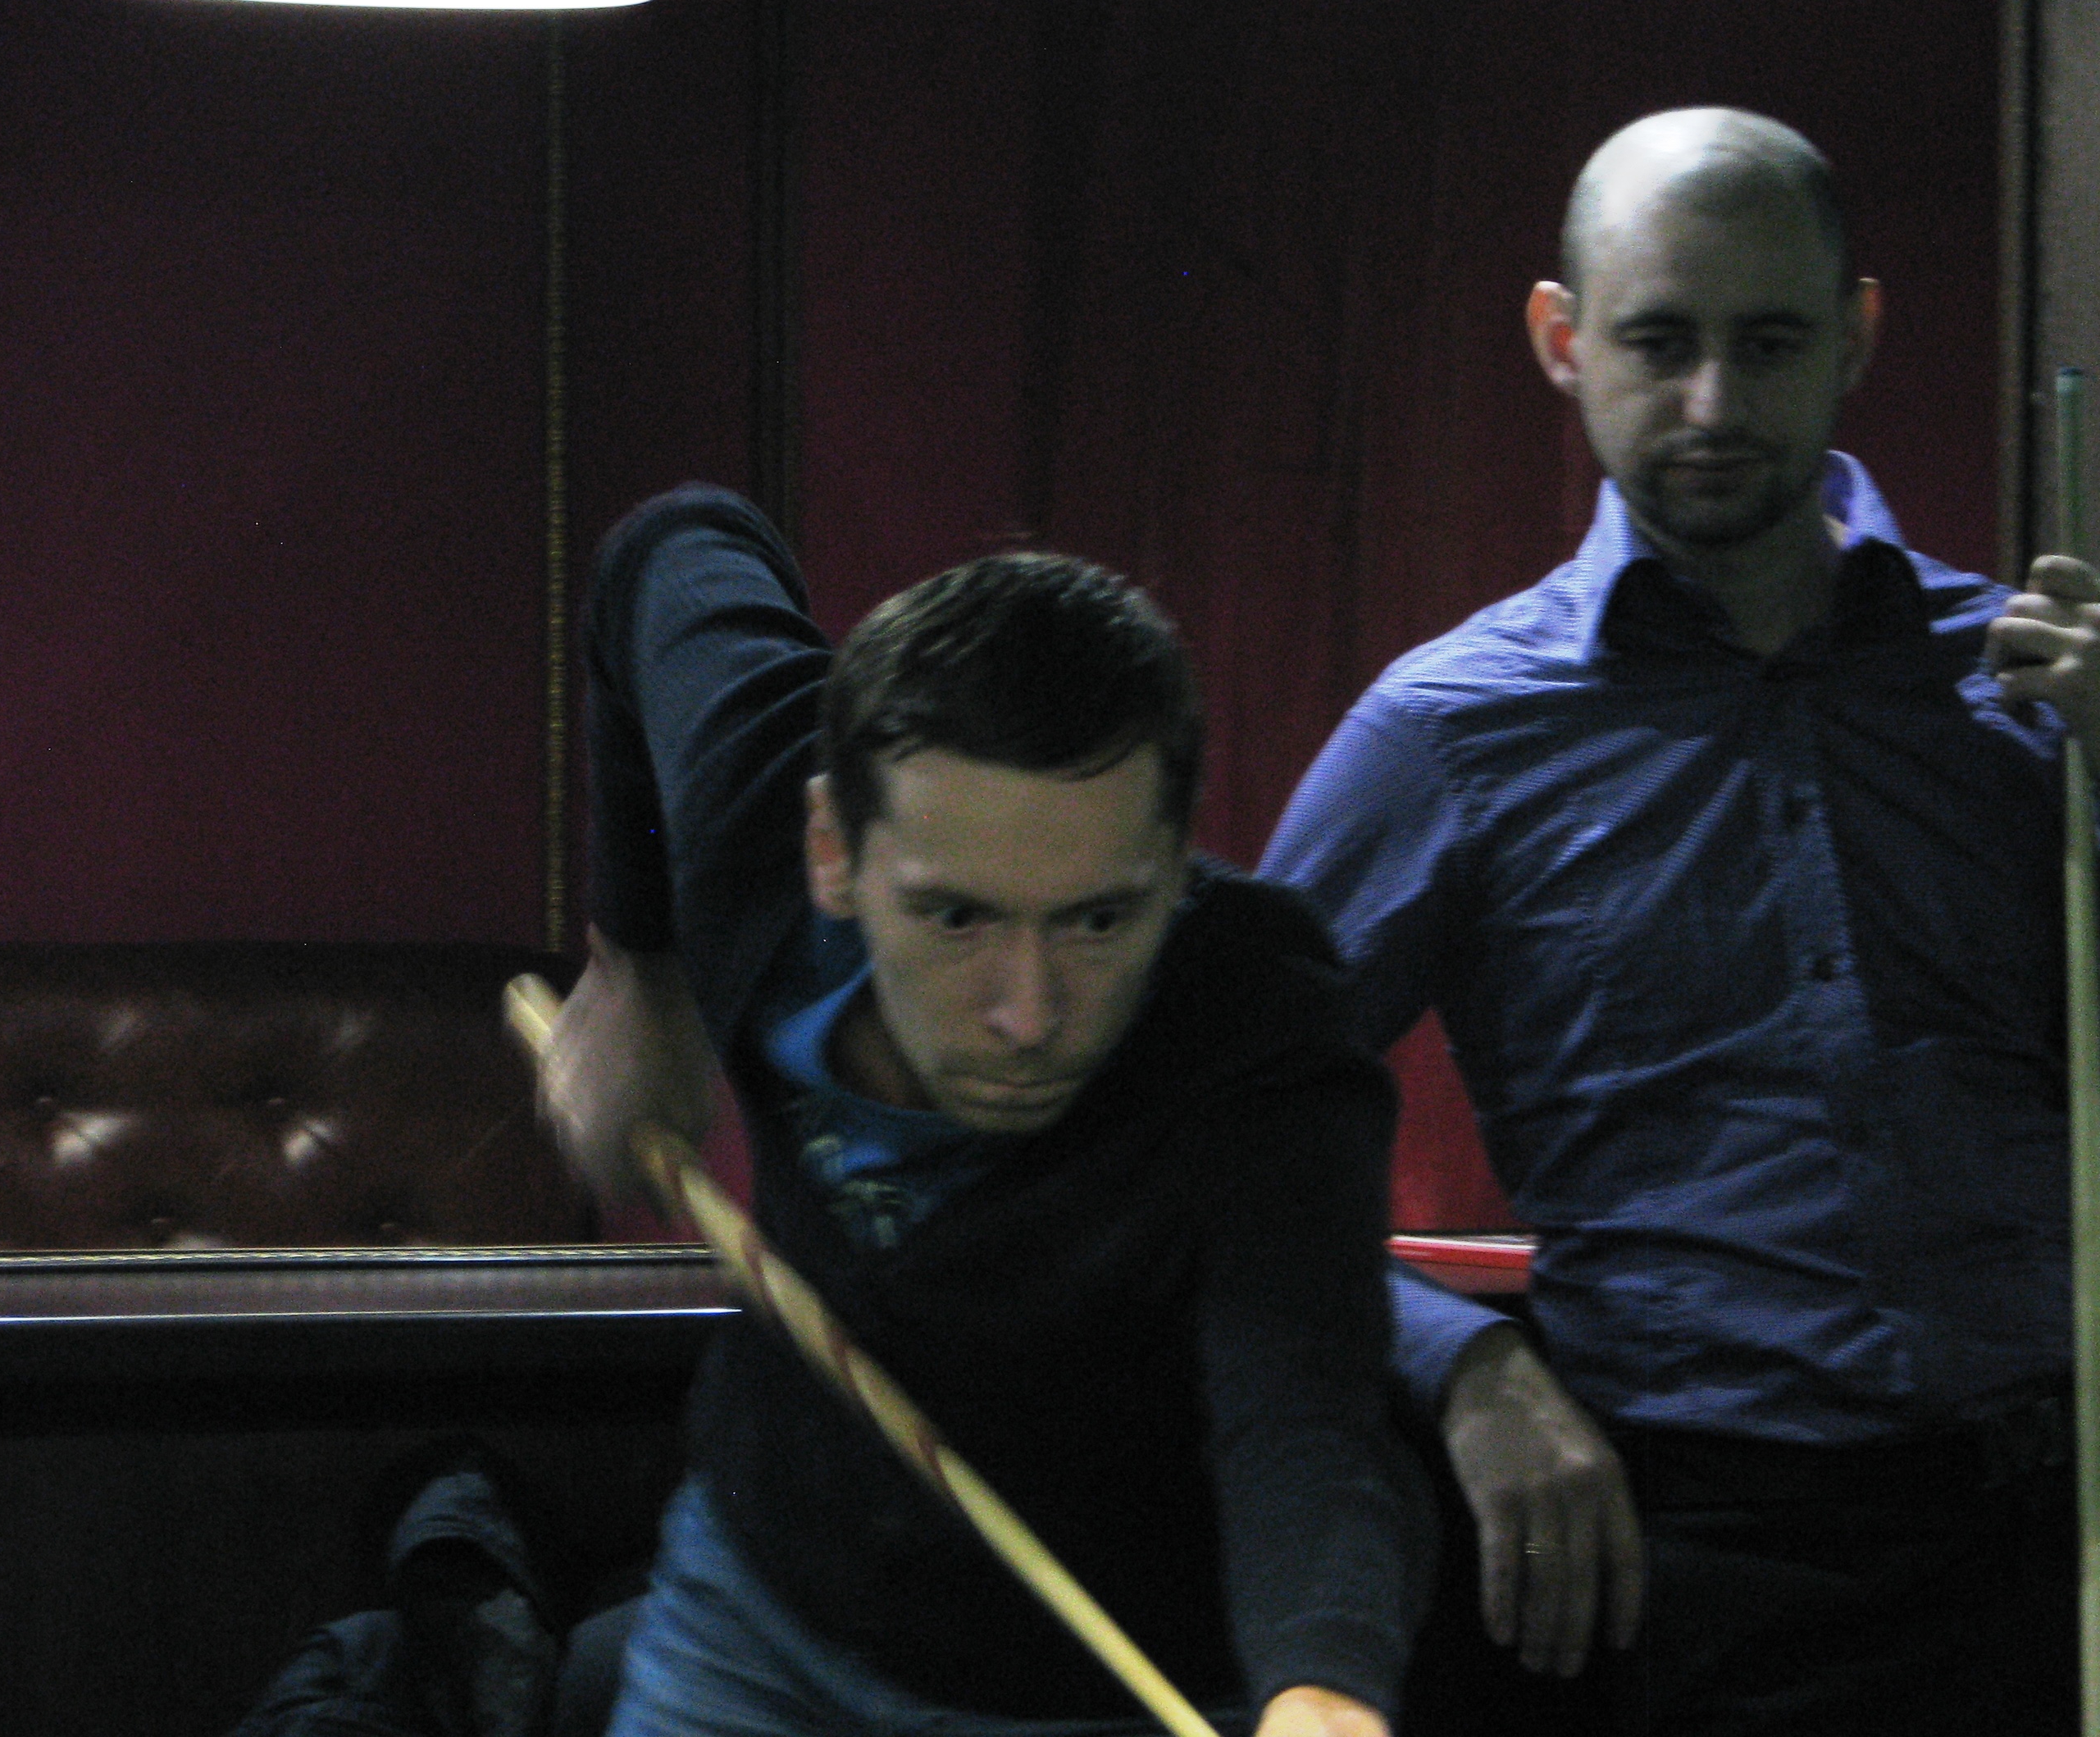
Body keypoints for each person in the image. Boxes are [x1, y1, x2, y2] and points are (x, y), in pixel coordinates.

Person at [1260, 109, 2100, 1735]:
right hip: (1712, 1571)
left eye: (1771, 344)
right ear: (1560, 339)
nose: (1713, 405)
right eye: (1658, 343)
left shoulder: (2021, 687)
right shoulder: (1448, 731)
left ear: (1858, 336)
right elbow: (1213, 1132)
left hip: (2079, 1534)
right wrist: (1465, 1365)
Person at [536, 486, 1432, 1737]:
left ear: (1176, 861)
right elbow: (670, 545)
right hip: (763, 1605)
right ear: (832, 850)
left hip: (1103, 1679)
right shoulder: (753, 810)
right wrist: (638, 966)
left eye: (1099, 919)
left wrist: (1322, 1687)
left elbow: (1302, 1412)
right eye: (956, 918)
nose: (1027, 1013)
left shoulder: (1261, 1031)